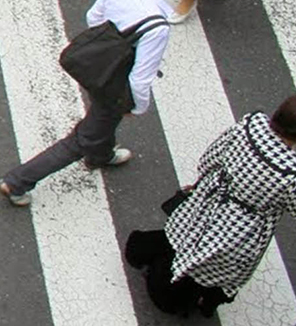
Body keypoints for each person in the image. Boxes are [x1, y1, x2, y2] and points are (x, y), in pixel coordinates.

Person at [0, 0, 186, 204]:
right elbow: (140, 78)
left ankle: (101, 154)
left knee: (102, 121)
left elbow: (93, 17)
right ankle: (16, 182)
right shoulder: (158, 27)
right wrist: (137, 107)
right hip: (115, 84)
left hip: (94, 68)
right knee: (82, 139)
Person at [125, 99, 296, 317]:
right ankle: (189, 296)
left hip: (211, 197)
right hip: (241, 228)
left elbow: (212, 155)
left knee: (182, 232)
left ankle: (146, 254)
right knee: (214, 264)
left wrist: (201, 181)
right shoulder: (290, 174)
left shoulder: (251, 125)